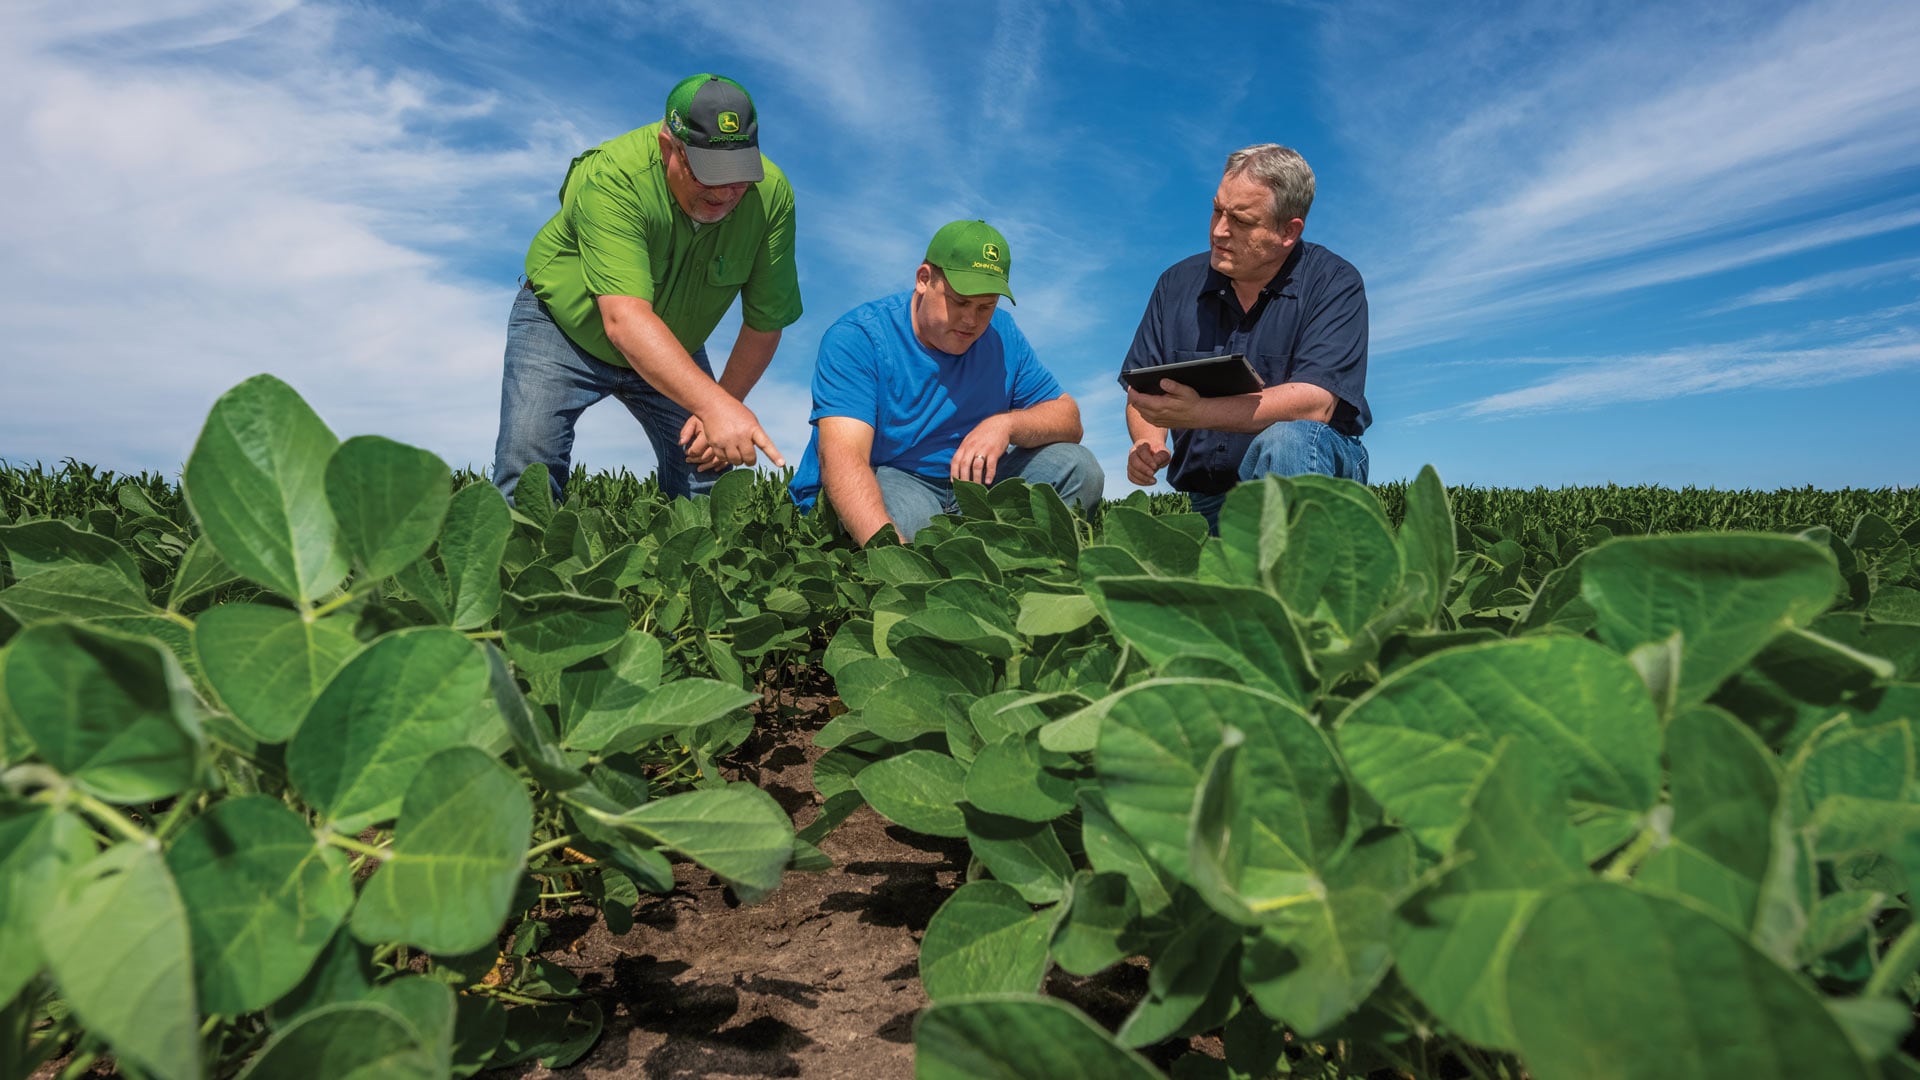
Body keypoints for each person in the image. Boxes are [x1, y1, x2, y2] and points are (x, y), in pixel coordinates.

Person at [492, 73, 801, 504]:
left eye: (740, 174)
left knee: (708, 482)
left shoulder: (772, 196)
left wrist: (724, 403)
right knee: (527, 472)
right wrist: (713, 406)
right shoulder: (611, 176)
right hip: (563, 330)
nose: (728, 191)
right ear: (667, 147)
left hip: (671, 342)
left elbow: (766, 321)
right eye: (710, 173)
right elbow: (624, 318)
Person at [788, 220, 1104, 543]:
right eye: (960, 301)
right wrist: (895, 560)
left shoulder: (1002, 334)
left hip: (979, 483)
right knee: (907, 522)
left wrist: (1005, 425)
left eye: (986, 306)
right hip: (897, 476)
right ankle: (934, 558)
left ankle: (1029, 566)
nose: (971, 320)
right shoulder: (859, 338)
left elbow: (1069, 418)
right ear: (924, 279)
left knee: (1079, 468)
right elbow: (844, 460)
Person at [1121, 144, 1371, 529]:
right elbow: (1145, 392)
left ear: (1288, 231)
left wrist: (1198, 412)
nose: (1219, 230)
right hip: (1208, 499)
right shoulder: (1174, 285)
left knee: (1290, 440)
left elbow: (1314, 404)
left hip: (1314, 480)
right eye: (1217, 210)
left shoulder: (1335, 283)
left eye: (1240, 220)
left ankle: (1302, 574)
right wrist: (1149, 440)